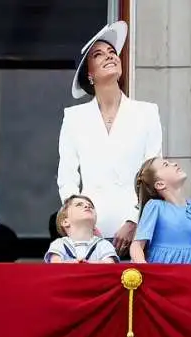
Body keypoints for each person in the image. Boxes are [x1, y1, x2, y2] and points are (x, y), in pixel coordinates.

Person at [56, 20, 163, 259]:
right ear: (89, 74)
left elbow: (153, 174)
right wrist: (80, 223)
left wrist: (134, 221)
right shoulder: (74, 118)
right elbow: (68, 177)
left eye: (113, 52)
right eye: (99, 54)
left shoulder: (147, 112)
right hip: (90, 230)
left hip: (139, 231)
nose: (109, 56)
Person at [129, 157, 191, 264]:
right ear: (160, 184)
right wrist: (145, 268)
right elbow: (137, 245)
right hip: (160, 273)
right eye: (166, 165)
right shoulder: (155, 207)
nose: (174, 164)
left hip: (189, 273)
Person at [45, 195, 119, 263]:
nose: (87, 206)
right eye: (79, 205)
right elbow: (55, 265)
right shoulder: (59, 244)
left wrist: (87, 265)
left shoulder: (104, 244)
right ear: (65, 221)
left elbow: (109, 265)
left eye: (91, 206)